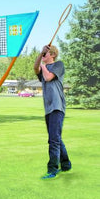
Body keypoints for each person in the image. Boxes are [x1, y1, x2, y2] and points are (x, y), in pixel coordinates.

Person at [34, 44, 71, 179]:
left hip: (57, 107)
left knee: (53, 140)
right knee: (56, 138)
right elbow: (35, 68)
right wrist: (40, 54)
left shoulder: (58, 65)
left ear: (53, 55)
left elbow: (49, 77)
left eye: (46, 53)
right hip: (48, 109)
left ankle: (52, 170)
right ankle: (66, 165)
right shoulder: (43, 68)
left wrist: (43, 65)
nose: (44, 55)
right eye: (44, 53)